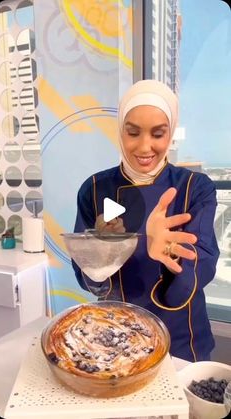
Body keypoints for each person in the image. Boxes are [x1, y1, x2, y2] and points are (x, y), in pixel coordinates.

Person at [72, 79, 219, 362]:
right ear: (120, 132)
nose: (144, 146)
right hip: (115, 340)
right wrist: (102, 250)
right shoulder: (95, 189)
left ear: (171, 133)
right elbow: (86, 276)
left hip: (181, 342)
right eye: (133, 132)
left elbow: (204, 266)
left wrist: (166, 253)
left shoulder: (194, 187)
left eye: (158, 134)